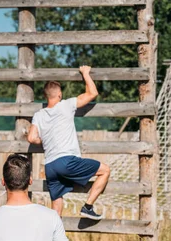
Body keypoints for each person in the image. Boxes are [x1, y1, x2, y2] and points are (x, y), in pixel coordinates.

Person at [28, 66, 110, 220]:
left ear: (46, 96)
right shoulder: (66, 105)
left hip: (50, 166)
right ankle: (88, 207)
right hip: (66, 161)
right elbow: (92, 93)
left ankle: (50, 239)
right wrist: (85, 73)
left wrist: (45, 139)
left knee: (56, 213)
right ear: (59, 94)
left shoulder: (39, 114)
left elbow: (31, 138)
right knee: (105, 170)